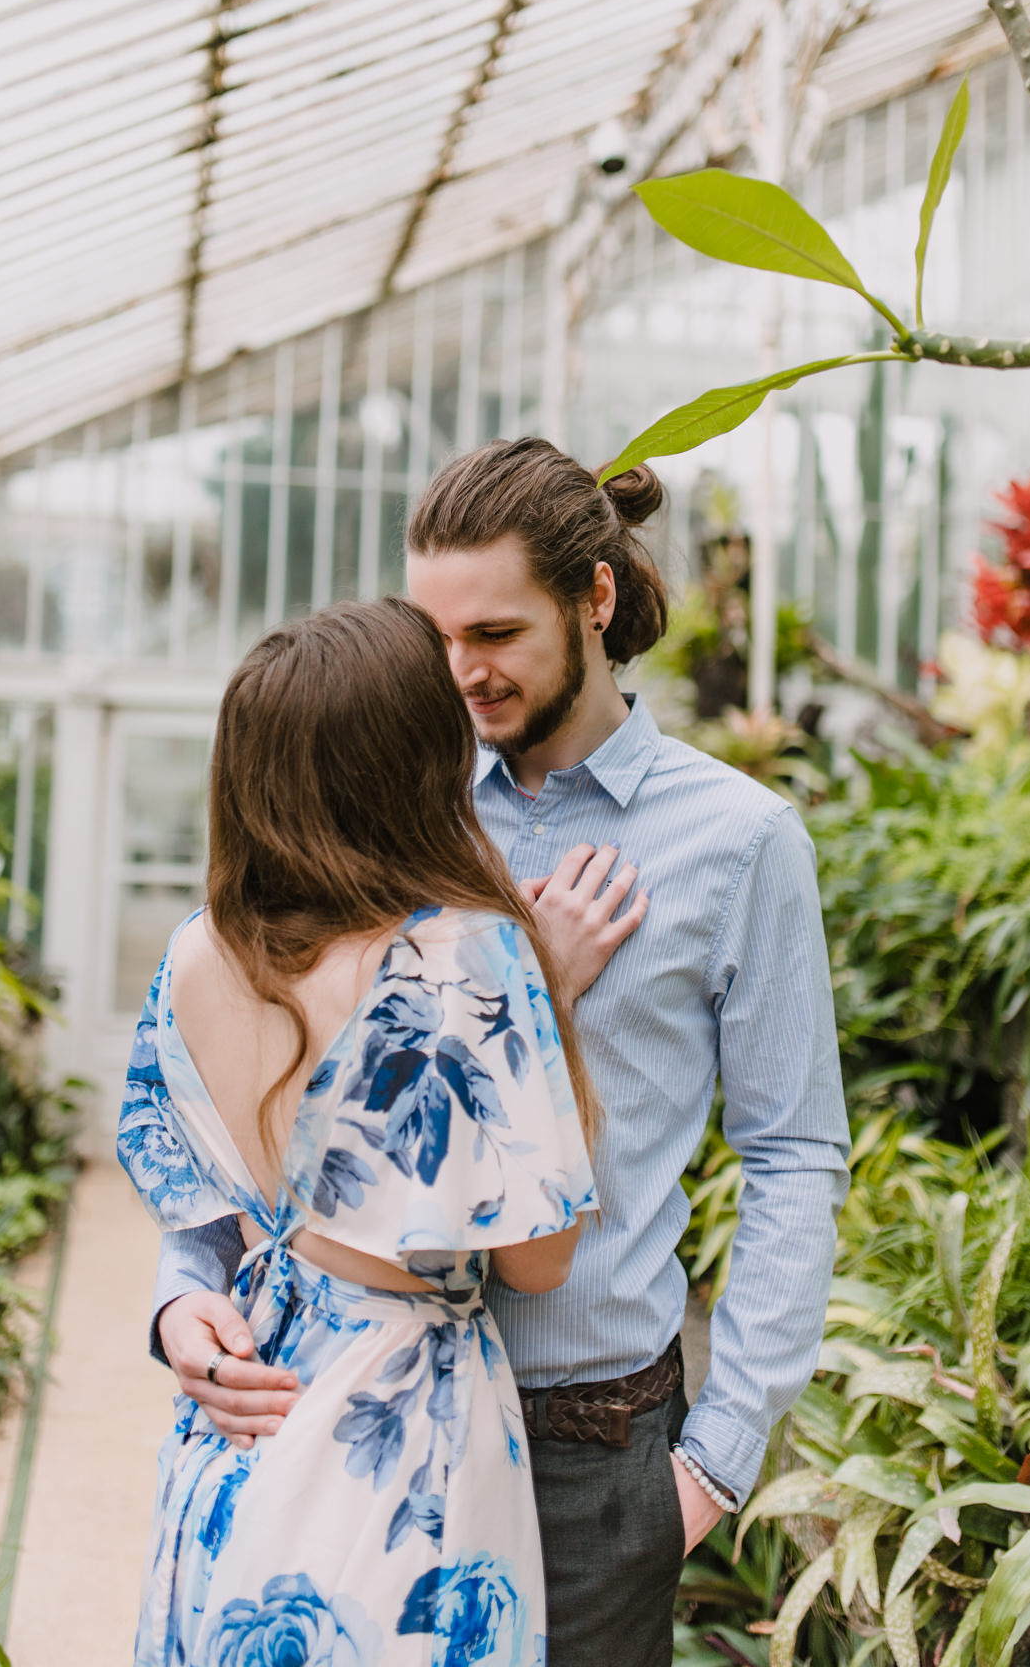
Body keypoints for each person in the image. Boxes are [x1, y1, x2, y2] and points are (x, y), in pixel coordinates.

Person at [149, 439, 851, 1667]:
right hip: (347, 1424)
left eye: (495, 632)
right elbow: (259, 1092)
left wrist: (713, 1464)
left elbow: (795, 1154)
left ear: (595, 595)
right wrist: (181, 1293)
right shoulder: (377, 799)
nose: (461, 671)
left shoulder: (741, 842)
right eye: (436, 638)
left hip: (591, 1454)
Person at [117, 597, 600, 1665]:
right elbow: (538, 1256)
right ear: (414, 762)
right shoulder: (470, 959)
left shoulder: (199, 949)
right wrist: (547, 1002)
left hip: (237, 1431)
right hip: (397, 1449)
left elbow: (184, 1183)